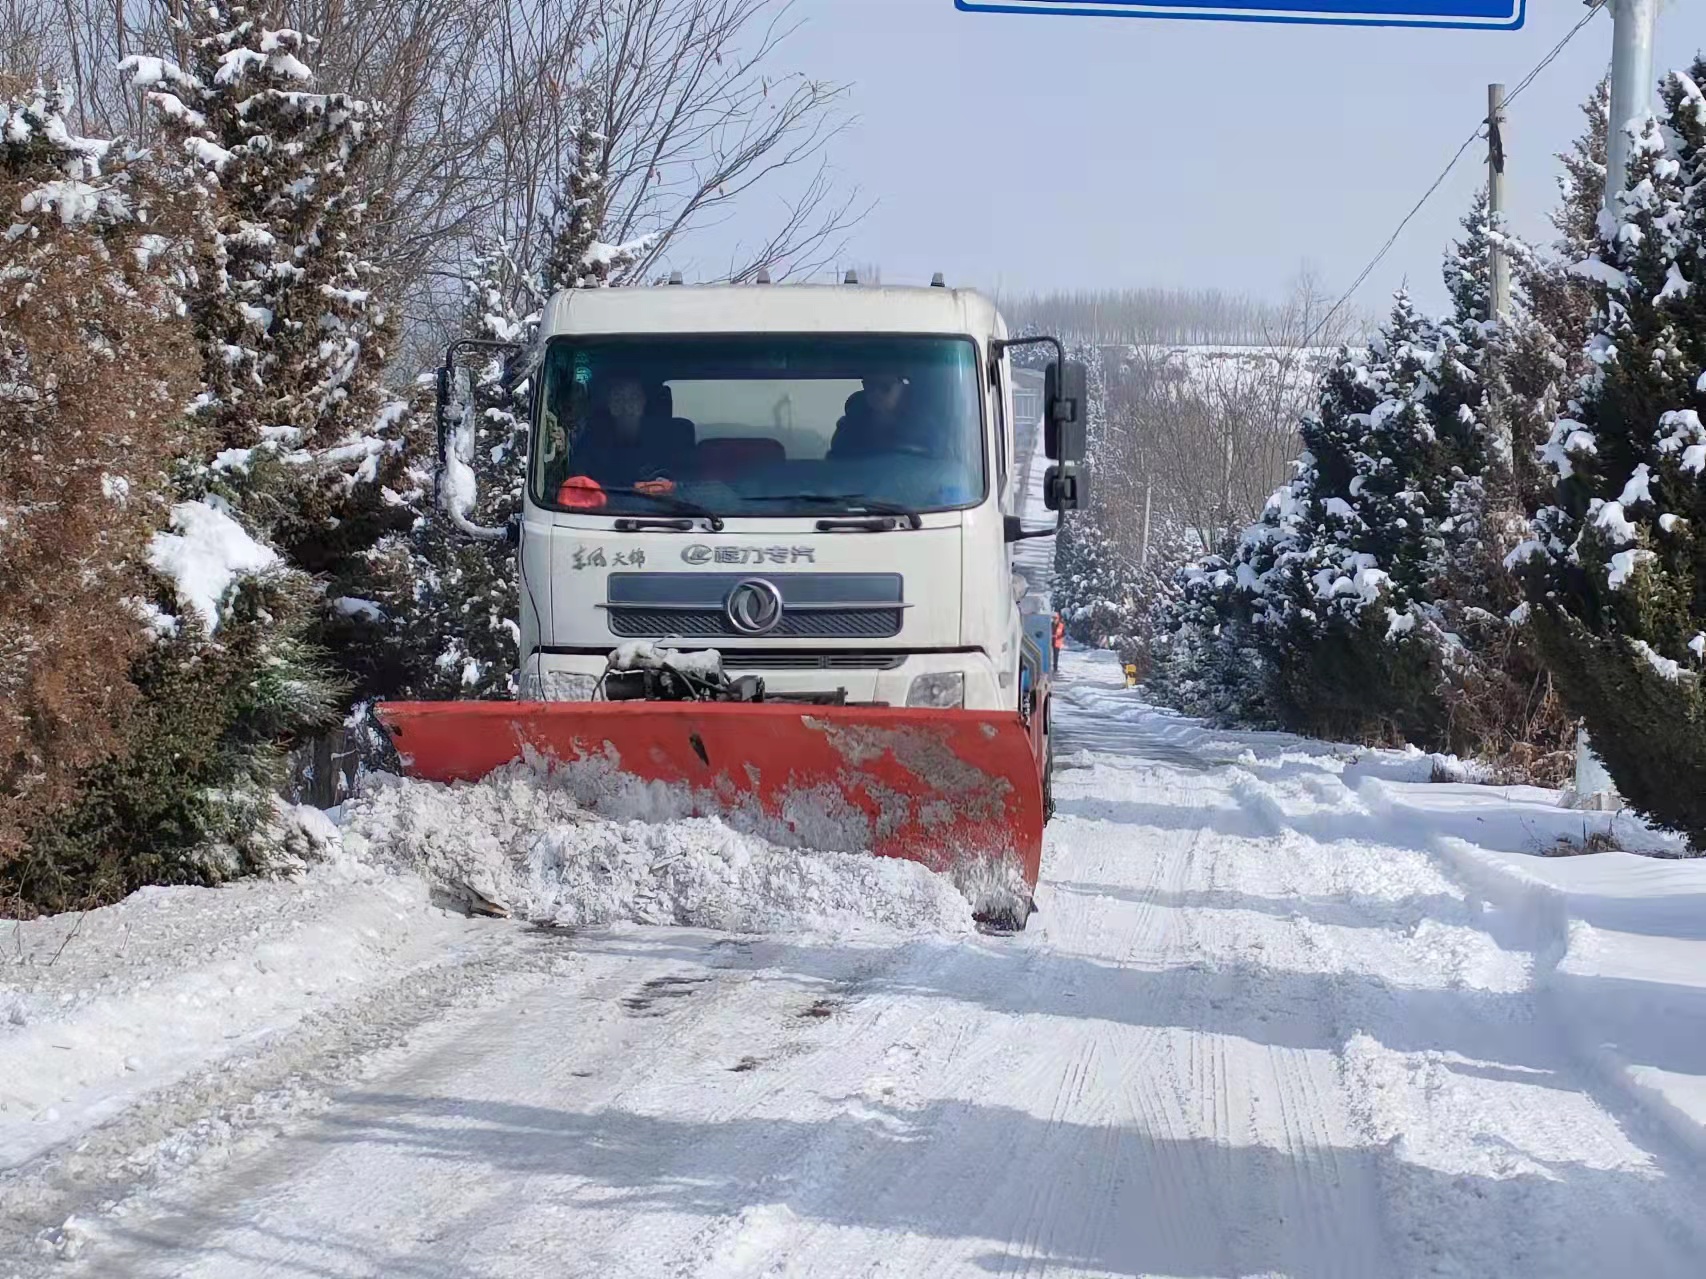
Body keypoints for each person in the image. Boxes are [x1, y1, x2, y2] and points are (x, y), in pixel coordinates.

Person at [543, 374, 684, 500]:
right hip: (600, 513)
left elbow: (685, 485)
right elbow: (576, 475)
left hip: (658, 511)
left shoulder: (666, 441)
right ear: (609, 404)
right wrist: (563, 451)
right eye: (618, 398)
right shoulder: (591, 441)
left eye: (633, 397)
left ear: (644, 402)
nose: (626, 405)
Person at [828, 373, 923, 458]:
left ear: (901, 388)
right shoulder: (848, 428)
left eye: (885, 387)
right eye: (870, 386)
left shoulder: (922, 428)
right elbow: (834, 464)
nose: (876, 393)